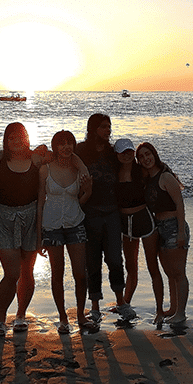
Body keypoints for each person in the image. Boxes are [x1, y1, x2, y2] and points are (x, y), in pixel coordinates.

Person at [75, 114, 136, 323]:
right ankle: (94, 307)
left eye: (109, 127)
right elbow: (61, 159)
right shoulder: (81, 151)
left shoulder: (112, 153)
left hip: (112, 212)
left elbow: (131, 165)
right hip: (89, 213)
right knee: (92, 261)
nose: (107, 130)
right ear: (93, 129)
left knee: (114, 259)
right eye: (103, 127)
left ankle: (121, 302)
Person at [37, 130, 94, 333]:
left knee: (80, 273)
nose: (66, 147)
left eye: (69, 143)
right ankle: (63, 318)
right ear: (55, 146)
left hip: (75, 223)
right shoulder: (45, 170)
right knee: (57, 274)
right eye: (61, 143)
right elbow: (40, 204)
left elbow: (82, 200)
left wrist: (88, 191)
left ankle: (80, 315)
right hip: (51, 227)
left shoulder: (78, 170)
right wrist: (38, 236)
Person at [0, 122, 41, 336]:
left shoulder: (36, 160)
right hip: (4, 218)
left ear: (27, 138)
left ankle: (21, 314)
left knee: (27, 272)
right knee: (11, 273)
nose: (17, 141)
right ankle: (1, 318)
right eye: (12, 137)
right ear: (6, 141)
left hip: (30, 217)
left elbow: (62, 158)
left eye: (21, 136)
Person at [136, 142, 190, 326]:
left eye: (148, 154)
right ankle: (173, 309)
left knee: (179, 272)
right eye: (141, 157)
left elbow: (179, 204)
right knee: (169, 273)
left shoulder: (165, 177)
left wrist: (181, 230)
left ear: (154, 154)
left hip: (174, 226)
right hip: (159, 228)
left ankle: (181, 313)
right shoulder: (147, 180)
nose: (145, 159)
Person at [114, 138, 163, 321]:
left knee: (152, 267)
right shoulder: (114, 172)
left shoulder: (141, 171)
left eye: (129, 151)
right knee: (130, 267)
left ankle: (159, 311)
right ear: (117, 155)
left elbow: (160, 174)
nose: (127, 155)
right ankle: (125, 303)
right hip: (125, 224)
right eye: (122, 152)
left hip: (145, 221)